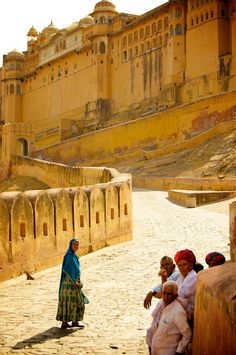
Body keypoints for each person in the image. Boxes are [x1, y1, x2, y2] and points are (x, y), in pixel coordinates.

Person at [146, 280, 192, 355]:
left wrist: (179, 351)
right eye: (164, 293)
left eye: (169, 294)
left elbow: (187, 334)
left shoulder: (177, 311)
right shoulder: (161, 306)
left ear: (175, 295)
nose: (166, 297)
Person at [56, 238, 89, 329]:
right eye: (74, 245)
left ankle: (75, 321)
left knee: (76, 302)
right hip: (68, 284)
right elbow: (67, 269)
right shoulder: (69, 256)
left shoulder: (74, 256)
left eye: (77, 245)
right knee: (68, 301)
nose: (76, 246)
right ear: (71, 245)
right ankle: (65, 322)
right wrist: (74, 281)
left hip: (74, 282)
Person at [174, 249, 197, 323]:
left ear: (191, 264)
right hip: (182, 309)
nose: (181, 268)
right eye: (179, 265)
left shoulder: (193, 277)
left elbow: (180, 294)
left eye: (184, 264)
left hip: (190, 312)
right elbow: (174, 287)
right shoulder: (182, 277)